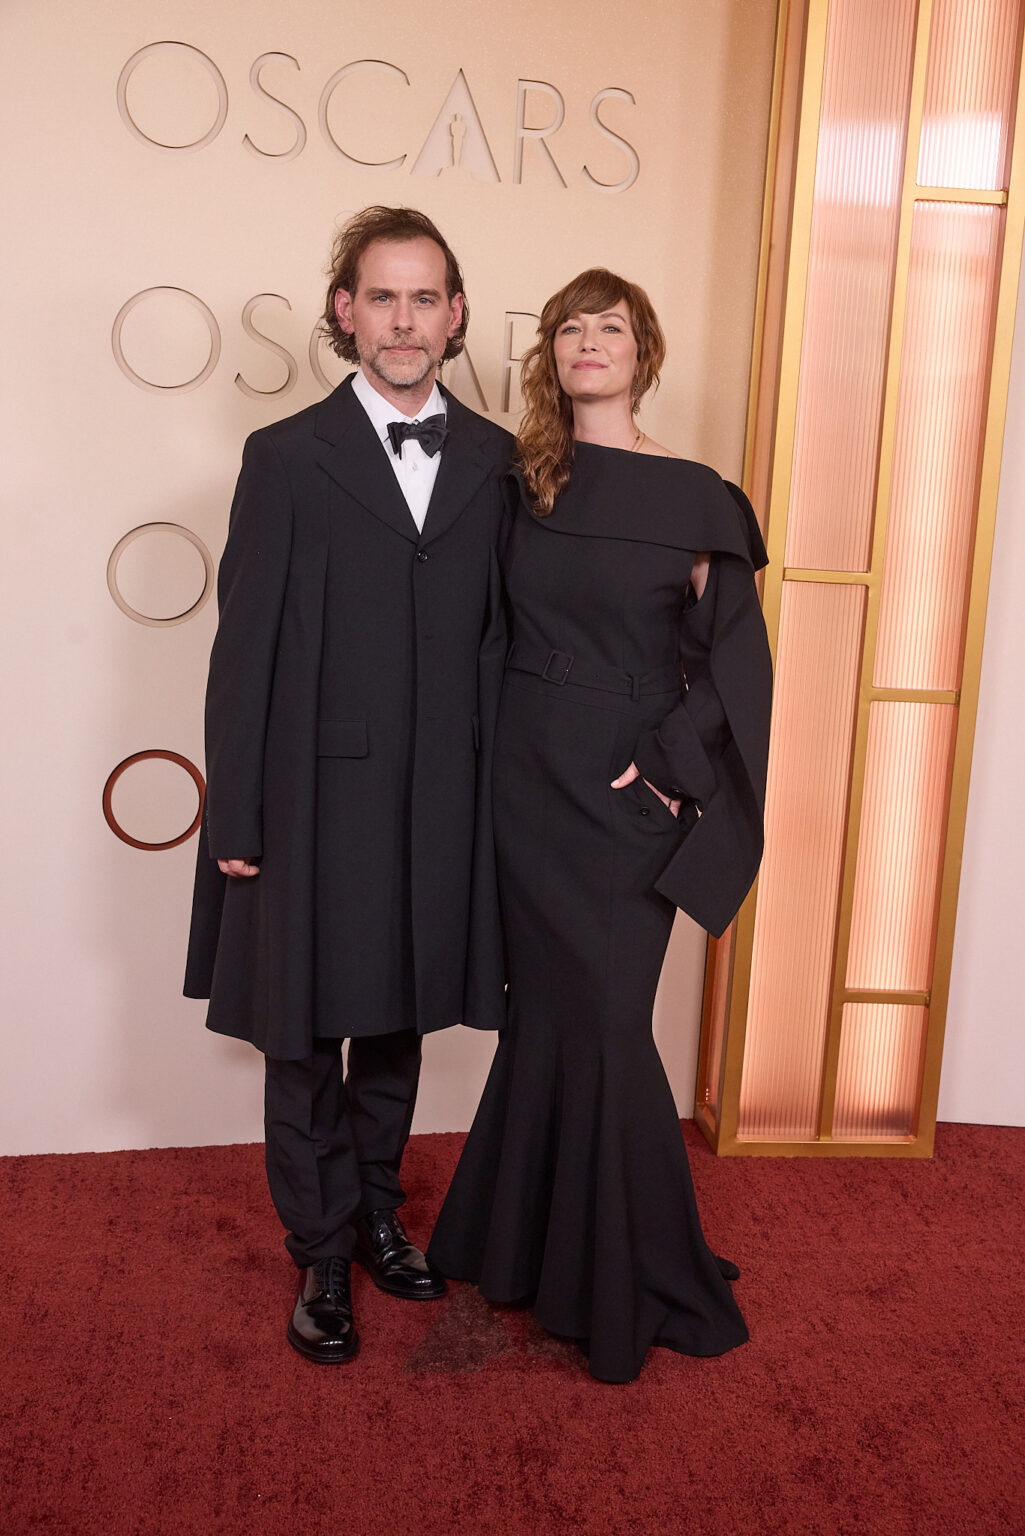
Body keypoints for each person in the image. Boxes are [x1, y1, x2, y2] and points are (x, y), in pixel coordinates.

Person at [427, 268, 772, 1384]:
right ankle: (521, 1247)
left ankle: (623, 1274)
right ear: (550, 356)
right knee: (548, 1016)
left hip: (623, 795)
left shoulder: (697, 497)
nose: (587, 343)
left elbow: (734, 665)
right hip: (524, 783)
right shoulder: (521, 484)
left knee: (610, 1023)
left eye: (608, 327)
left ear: (642, 352)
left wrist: (674, 771)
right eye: (569, 328)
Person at [185, 206, 513, 1364]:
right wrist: (236, 808)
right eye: (383, 297)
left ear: (456, 313)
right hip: (310, 798)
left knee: (396, 1017)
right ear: (344, 312)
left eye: (426, 298)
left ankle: (376, 1209)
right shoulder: (283, 457)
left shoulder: (498, 460)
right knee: (300, 1028)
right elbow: (245, 646)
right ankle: (319, 1244)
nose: (405, 320)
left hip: (442, 801)